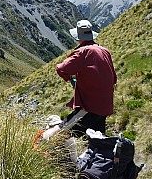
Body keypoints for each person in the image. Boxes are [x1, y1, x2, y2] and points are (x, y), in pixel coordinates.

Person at [42, 19, 117, 163]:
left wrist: (71, 80)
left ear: (78, 37)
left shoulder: (83, 51)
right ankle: (96, 175)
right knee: (97, 143)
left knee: (59, 135)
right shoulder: (105, 51)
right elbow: (113, 78)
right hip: (105, 107)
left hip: (90, 107)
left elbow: (61, 68)